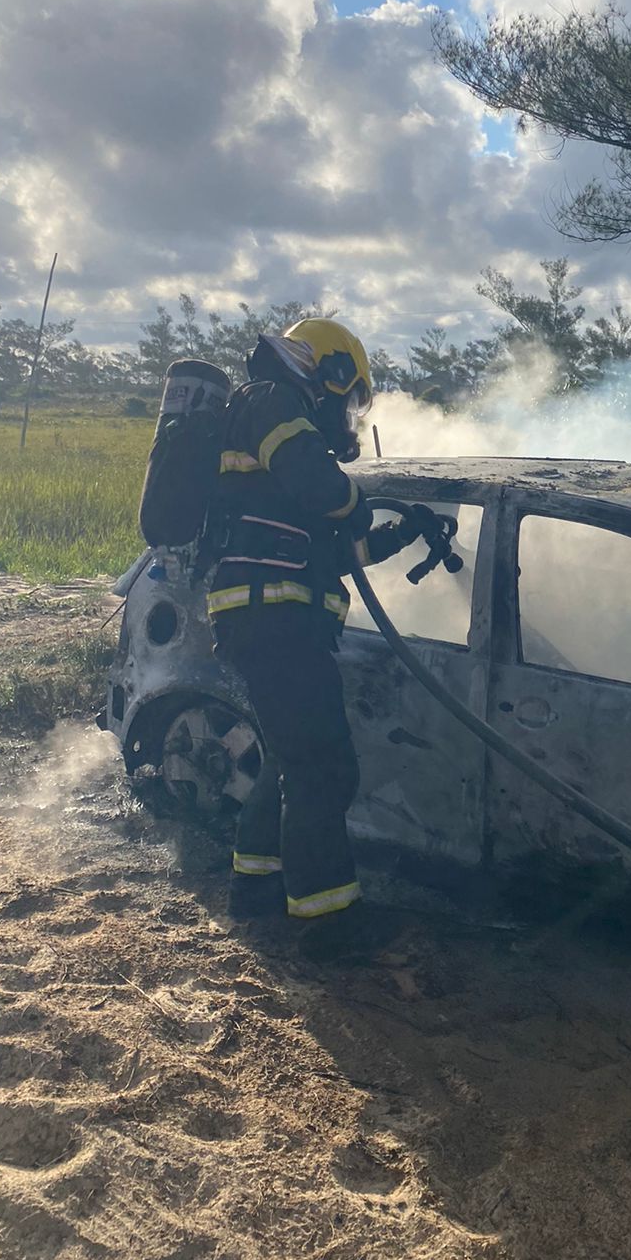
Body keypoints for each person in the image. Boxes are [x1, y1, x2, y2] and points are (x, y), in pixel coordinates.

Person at [205, 317, 418, 952]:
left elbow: (319, 549)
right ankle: (328, 924)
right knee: (325, 769)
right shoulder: (271, 401)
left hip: (270, 616)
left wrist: (391, 539)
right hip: (273, 619)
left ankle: (257, 890)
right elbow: (317, 487)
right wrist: (358, 501)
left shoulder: (277, 426)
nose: (349, 416)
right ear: (327, 372)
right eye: (351, 398)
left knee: (288, 763)